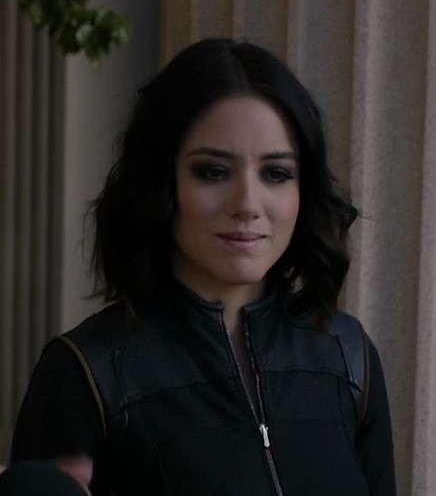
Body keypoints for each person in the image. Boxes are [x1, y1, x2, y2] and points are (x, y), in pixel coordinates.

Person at [10, 38, 396, 495]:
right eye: (212, 171)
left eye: (276, 173)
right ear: (162, 182)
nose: (247, 203)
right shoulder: (87, 373)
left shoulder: (348, 357)